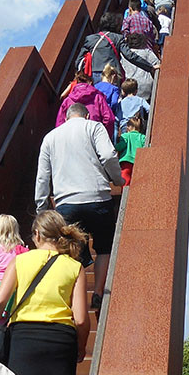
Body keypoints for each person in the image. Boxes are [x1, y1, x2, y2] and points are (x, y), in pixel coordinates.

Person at [0, 212, 90, 375]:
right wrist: (80, 347)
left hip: (24, 338)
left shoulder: (20, 260)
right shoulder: (74, 266)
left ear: (37, 234)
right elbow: (80, 320)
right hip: (61, 340)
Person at [34, 102, 124, 310]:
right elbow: (109, 155)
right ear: (86, 115)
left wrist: (41, 208)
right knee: (103, 248)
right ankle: (99, 292)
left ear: (66, 118)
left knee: (69, 253)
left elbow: (42, 177)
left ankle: (76, 300)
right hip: (97, 197)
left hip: (66, 203)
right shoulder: (94, 127)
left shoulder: (51, 137)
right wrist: (117, 179)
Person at [75, 12, 155, 84]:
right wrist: (149, 67)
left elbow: (78, 61)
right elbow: (130, 56)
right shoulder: (118, 38)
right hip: (111, 75)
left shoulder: (90, 39)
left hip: (94, 74)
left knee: (97, 99)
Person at [55, 71, 115, 139]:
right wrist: (104, 137)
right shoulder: (97, 98)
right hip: (93, 136)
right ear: (90, 82)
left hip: (72, 138)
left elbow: (60, 123)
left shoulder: (68, 101)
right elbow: (109, 119)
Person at [120, 33, 160, 103]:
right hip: (146, 87)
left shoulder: (123, 54)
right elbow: (157, 64)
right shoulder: (147, 52)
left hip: (128, 87)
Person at [115, 111, 148, 186]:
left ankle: (125, 191)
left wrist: (115, 147)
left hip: (126, 160)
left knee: (125, 176)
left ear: (129, 127)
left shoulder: (125, 136)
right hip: (138, 161)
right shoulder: (142, 137)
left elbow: (122, 145)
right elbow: (145, 147)